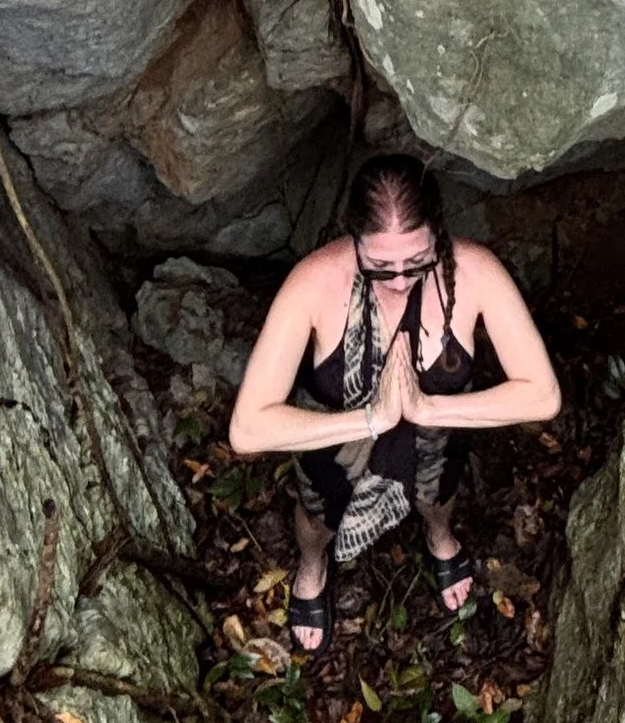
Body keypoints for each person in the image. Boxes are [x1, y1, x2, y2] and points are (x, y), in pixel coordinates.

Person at [227, 152, 562, 655]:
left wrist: (426, 410)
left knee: (439, 492)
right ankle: (313, 565)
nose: (402, 280)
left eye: (418, 261)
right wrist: (370, 418)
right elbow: (247, 429)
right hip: (335, 438)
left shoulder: (474, 272)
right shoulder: (315, 282)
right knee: (318, 513)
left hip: (437, 435)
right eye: (381, 266)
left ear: (438, 233)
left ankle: (438, 538)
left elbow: (543, 395)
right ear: (353, 238)